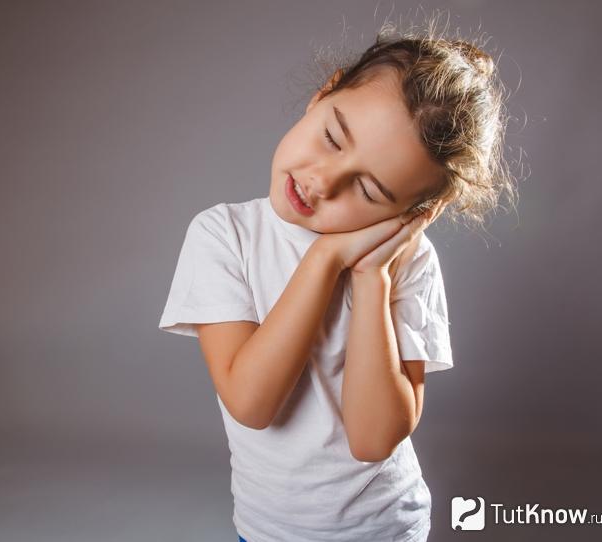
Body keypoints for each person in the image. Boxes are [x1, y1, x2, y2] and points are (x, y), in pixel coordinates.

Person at [158, 17, 516, 542]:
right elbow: (252, 404)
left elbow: (372, 441)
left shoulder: (409, 261)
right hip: (267, 531)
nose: (322, 181)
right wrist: (325, 258)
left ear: (411, 213)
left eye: (367, 191)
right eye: (332, 138)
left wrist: (372, 276)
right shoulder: (224, 235)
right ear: (325, 92)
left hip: (387, 529)